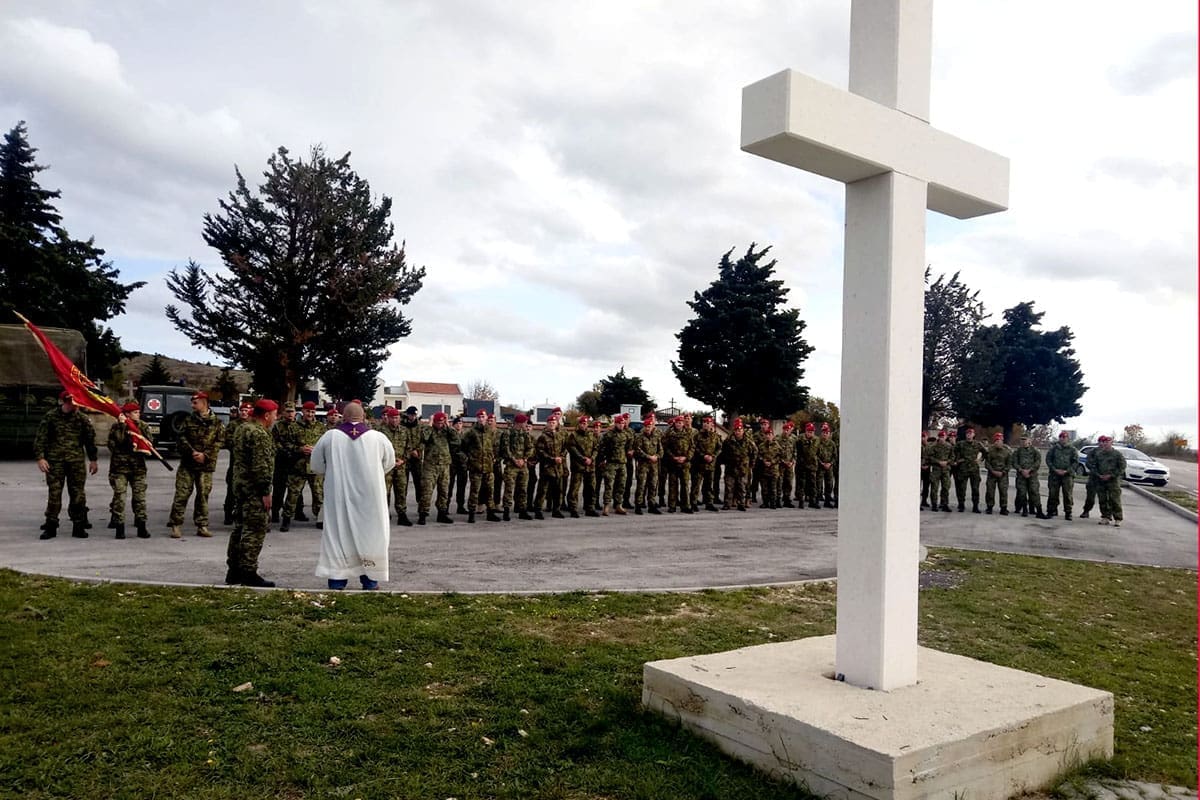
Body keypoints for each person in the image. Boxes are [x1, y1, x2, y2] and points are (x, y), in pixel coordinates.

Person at [311, 401, 396, 590]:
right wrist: (373, 473)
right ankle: (370, 581)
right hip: (371, 497)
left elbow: (316, 465)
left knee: (338, 534)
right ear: (363, 417)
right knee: (370, 534)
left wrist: (333, 472)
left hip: (339, 496)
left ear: (343, 417)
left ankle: (337, 581)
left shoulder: (330, 437)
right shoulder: (378, 438)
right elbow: (389, 463)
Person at [226, 399, 278, 587]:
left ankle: (233, 571)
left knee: (239, 529)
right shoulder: (260, 434)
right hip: (254, 489)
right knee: (254, 530)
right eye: (274, 414)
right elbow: (261, 466)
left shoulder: (242, 428)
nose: (275, 418)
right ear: (266, 415)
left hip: (240, 487)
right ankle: (248, 572)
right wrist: (265, 491)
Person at [35, 390, 99, 539]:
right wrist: (40, 458)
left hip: (75, 462)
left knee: (77, 494)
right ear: (63, 402)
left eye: (75, 402)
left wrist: (93, 460)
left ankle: (78, 525)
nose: (73, 405)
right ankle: (51, 526)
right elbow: (40, 438)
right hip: (55, 462)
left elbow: (89, 441)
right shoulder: (51, 417)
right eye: (70, 402)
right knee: (54, 494)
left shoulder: (82, 419)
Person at [167, 391, 224, 538]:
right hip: (188, 464)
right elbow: (180, 438)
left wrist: (205, 455)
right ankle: (176, 524)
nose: (192, 405)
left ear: (204, 403)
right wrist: (192, 452)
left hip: (205, 466)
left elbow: (219, 442)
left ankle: (202, 525)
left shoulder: (216, 422)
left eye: (195, 402)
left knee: (203, 496)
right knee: (182, 494)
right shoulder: (188, 420)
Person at [106, 401, 151, 539]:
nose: (138, 414)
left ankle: (141, 526)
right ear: (127, 414)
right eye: (135, 412)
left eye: (138, 412)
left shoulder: (143, 426)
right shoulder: (116, 427)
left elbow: (148, 444)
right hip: (120, 468)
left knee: (140, 498)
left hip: (138, 468)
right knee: (120, 497)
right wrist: (122, 426)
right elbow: (115, 444)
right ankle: (119, 526)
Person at [418, 411, 459, 524]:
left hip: (444, 465)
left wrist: (448, 425)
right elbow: (423, 438)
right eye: (438, 422)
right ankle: (423, 514)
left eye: (442, 422)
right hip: (430, 465)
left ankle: (442, 513)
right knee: (427, 491)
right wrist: (430, 424)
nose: (440, 424)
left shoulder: (447, 431)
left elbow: (456, 440)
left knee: (444, 491)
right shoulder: (429, 431)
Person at [459, 409, 501, 523]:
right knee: (475, 491)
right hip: (475, 467)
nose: (481, 419)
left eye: (483, 417)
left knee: (489, 491)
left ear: (487, 418)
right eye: (479, 417)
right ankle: (471, 513)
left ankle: (490, 513)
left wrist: (494, 457)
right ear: (477, 418)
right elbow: (462, 448)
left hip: (488, 467)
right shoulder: (472, 432)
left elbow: (495, 446)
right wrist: (468, 459)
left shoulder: (490, 432)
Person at [500, 413, 536, 520]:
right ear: (520, 423)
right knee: (509, 489)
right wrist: (514, 460)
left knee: (523, 489)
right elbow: (505, 449)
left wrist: (524, 459)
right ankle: (506, 511)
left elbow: (530, 448)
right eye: (525, 422)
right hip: (511, 465)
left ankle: (522, 511)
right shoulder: (507, 433)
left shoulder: (525, 434)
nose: (526, 424)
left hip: (523, 466)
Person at [222, 401, 253, 524]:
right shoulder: (233, 425)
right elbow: (228, 441)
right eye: (243, 410)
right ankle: (228, 514)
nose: (244, 413)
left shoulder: (254, 425)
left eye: (247, 410)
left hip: (250, 465)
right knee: (232, 490)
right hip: (236, 463)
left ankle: (244, 515)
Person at [599, 413, 634, 516]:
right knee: (609, 485)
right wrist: (603, 459)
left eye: (623, 423)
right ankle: (606, 506)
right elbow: (601, 447)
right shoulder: (609, 435)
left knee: (621, 485)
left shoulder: (626, 434)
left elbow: (629, 446)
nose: (622, 425)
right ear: (616, 424)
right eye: (620, 423)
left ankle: (618, 505)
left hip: (622, 463)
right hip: (611, 463)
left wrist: (630, 452)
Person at [533, 414, 567, 519]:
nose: (552, 424)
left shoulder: (560, 435)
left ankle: (556, 510)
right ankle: (538, 510)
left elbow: (565, 448)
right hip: (547, 468)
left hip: (558, 468)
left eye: (554, 423)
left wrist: (561, 457)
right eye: (550, 423)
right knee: (542, 490)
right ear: (547, 424)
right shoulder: (543, 437)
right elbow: (540, 451)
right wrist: (552, 459)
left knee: (557, 490)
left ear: (557, 424)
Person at [1089, 435, 1127, 527]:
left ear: (1111, 443)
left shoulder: (1117, 454)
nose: (1105, 444)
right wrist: (1099, 475)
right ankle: (1105, 517)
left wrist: (1112, 475)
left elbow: (1122, 467)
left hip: (1113, 481)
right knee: (1103, 499)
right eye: (1104, 442)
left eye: (1107, 442)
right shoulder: (1099, 454)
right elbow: (1094, 466)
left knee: (1114, 500)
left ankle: (1117, 518)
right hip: (1101, 480)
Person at [565, 415, 599, 518]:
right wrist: (583, 459)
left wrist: (591, 459)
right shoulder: (573, 436)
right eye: (582, 424)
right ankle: (573, 509)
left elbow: (596, 448)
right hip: (578, 466)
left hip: (590, 466)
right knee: (574, 489)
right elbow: (572, 449)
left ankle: (590, 508)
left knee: (591, 488)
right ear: (578, 424)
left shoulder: (591, 435)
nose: (584, 425)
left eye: (585, 424)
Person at [720, 418, 756, 511]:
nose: (738, 432)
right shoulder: (728, 441)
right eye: (736, 430)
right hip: (731, 467)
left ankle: (741, 504)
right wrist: (727, 461)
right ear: (734, 430)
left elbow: (754, 452)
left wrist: (751, 464)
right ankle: (727, 503)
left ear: (743, 430)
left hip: (743, 468)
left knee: (742, 487)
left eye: (740, 430)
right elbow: (723, 452)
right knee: (729, 486)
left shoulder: (748, 441)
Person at [633, 412, 663, 514]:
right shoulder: (639, 437)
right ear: (644, 427)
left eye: (649, 426)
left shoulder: (656, 436)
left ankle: (652, 505)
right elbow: (637, 450)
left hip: (654, 465)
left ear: (652, 426)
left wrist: (657, 456)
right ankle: (638, 505)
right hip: (643, 465)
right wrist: (648, 457)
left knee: (653, 485)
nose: (648, 428)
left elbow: (661, 450)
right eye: (646, 426)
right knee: (641, 485)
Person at [691, 416, 723, 512]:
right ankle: (693, 503)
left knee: (709, 485)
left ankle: (709, 503)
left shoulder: (716, 436)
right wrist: (703, 455)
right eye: (704, 423)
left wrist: (712, 456)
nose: (705, 424)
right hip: (699, 464)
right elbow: (694, 447)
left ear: (711, 424)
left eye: (708, 423)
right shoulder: (697, 436)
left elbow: (719, 448)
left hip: (710, 465)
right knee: (696, 485)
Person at [1044, 431, 1079, 520]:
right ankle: (1051, 511)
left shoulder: (1072, 449)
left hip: (1067, 476)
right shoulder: (1054, 449)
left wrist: (1067, 471)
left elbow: (1075, 462)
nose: (1062, 439)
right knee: (1053, 493)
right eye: (1061, 437)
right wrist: (1054, 469)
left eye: (1064, 437)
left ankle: (1068, 512)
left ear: (1067, 438)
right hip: (1054, 475)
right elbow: (1048, 460)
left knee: (1067, 494)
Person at [952, 427, 986, 513]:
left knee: (975, 489)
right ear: (965, 435)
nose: (969, 435)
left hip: (974, 469)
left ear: (974, 435)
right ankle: (961, 505)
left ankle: (975, 506)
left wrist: (980, 460)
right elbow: (952, 452)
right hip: (963, 469)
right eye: (967, 434)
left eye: (971, 434)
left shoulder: (978, 444)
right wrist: (957, 460)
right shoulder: (960, 444)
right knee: (961, 488)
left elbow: (985, 453)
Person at [1013, 434, 1046, 519]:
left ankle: (1039, 511)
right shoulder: (1017, 451)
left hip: (1032, 475)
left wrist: (1030, 470)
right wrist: (1021, 470)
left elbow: (1038, 462)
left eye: (1025, 439)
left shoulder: (1035, 451)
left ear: (1029, 440)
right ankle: (1024, 509)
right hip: (1021, 475)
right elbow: (1014, 463)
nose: (1023, 441)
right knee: (1022, 493)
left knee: (1034, 492)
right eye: (1022, 440)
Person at [925, 429, 954, 512]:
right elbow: (929, 457)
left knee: (946, 487)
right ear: (938, 437)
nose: (942, 438)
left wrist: (947, 462)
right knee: (934, 487)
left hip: (945, 470)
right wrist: (938, 462)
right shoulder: (933, 446)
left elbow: (952, 457)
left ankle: (944, 504)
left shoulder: (949, 446)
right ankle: (934, 504)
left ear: (945, 437)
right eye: (940, 437)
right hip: (936, 470)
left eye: (943, 437)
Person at [984, 432, 1012, 515]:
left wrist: (1003, 472)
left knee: (1003, 491)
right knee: (990, 491)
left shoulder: (1007, 450)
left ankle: (1003, 508)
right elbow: (987, 463)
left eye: (999, 440)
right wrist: (992, 471)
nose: (998, 442)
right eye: (996, 440)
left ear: (1002, 440)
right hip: (992, 473)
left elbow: (1009, 463)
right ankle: (989, 507)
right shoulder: (990, 450)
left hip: (1003, 474)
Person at [816, 422, 838, 508]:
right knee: (818, 484)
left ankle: (827, 501)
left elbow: (835, 456)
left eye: (827, 433)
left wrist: (830, 463)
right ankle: (816, 500)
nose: (825, 434)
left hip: (829, 467)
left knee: (829, 484)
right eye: (824, 432)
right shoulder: (817, 442)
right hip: (820, 467)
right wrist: (821, 463)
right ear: (822, 433)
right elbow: (815, 454)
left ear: (829, 434)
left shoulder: (832, 444)